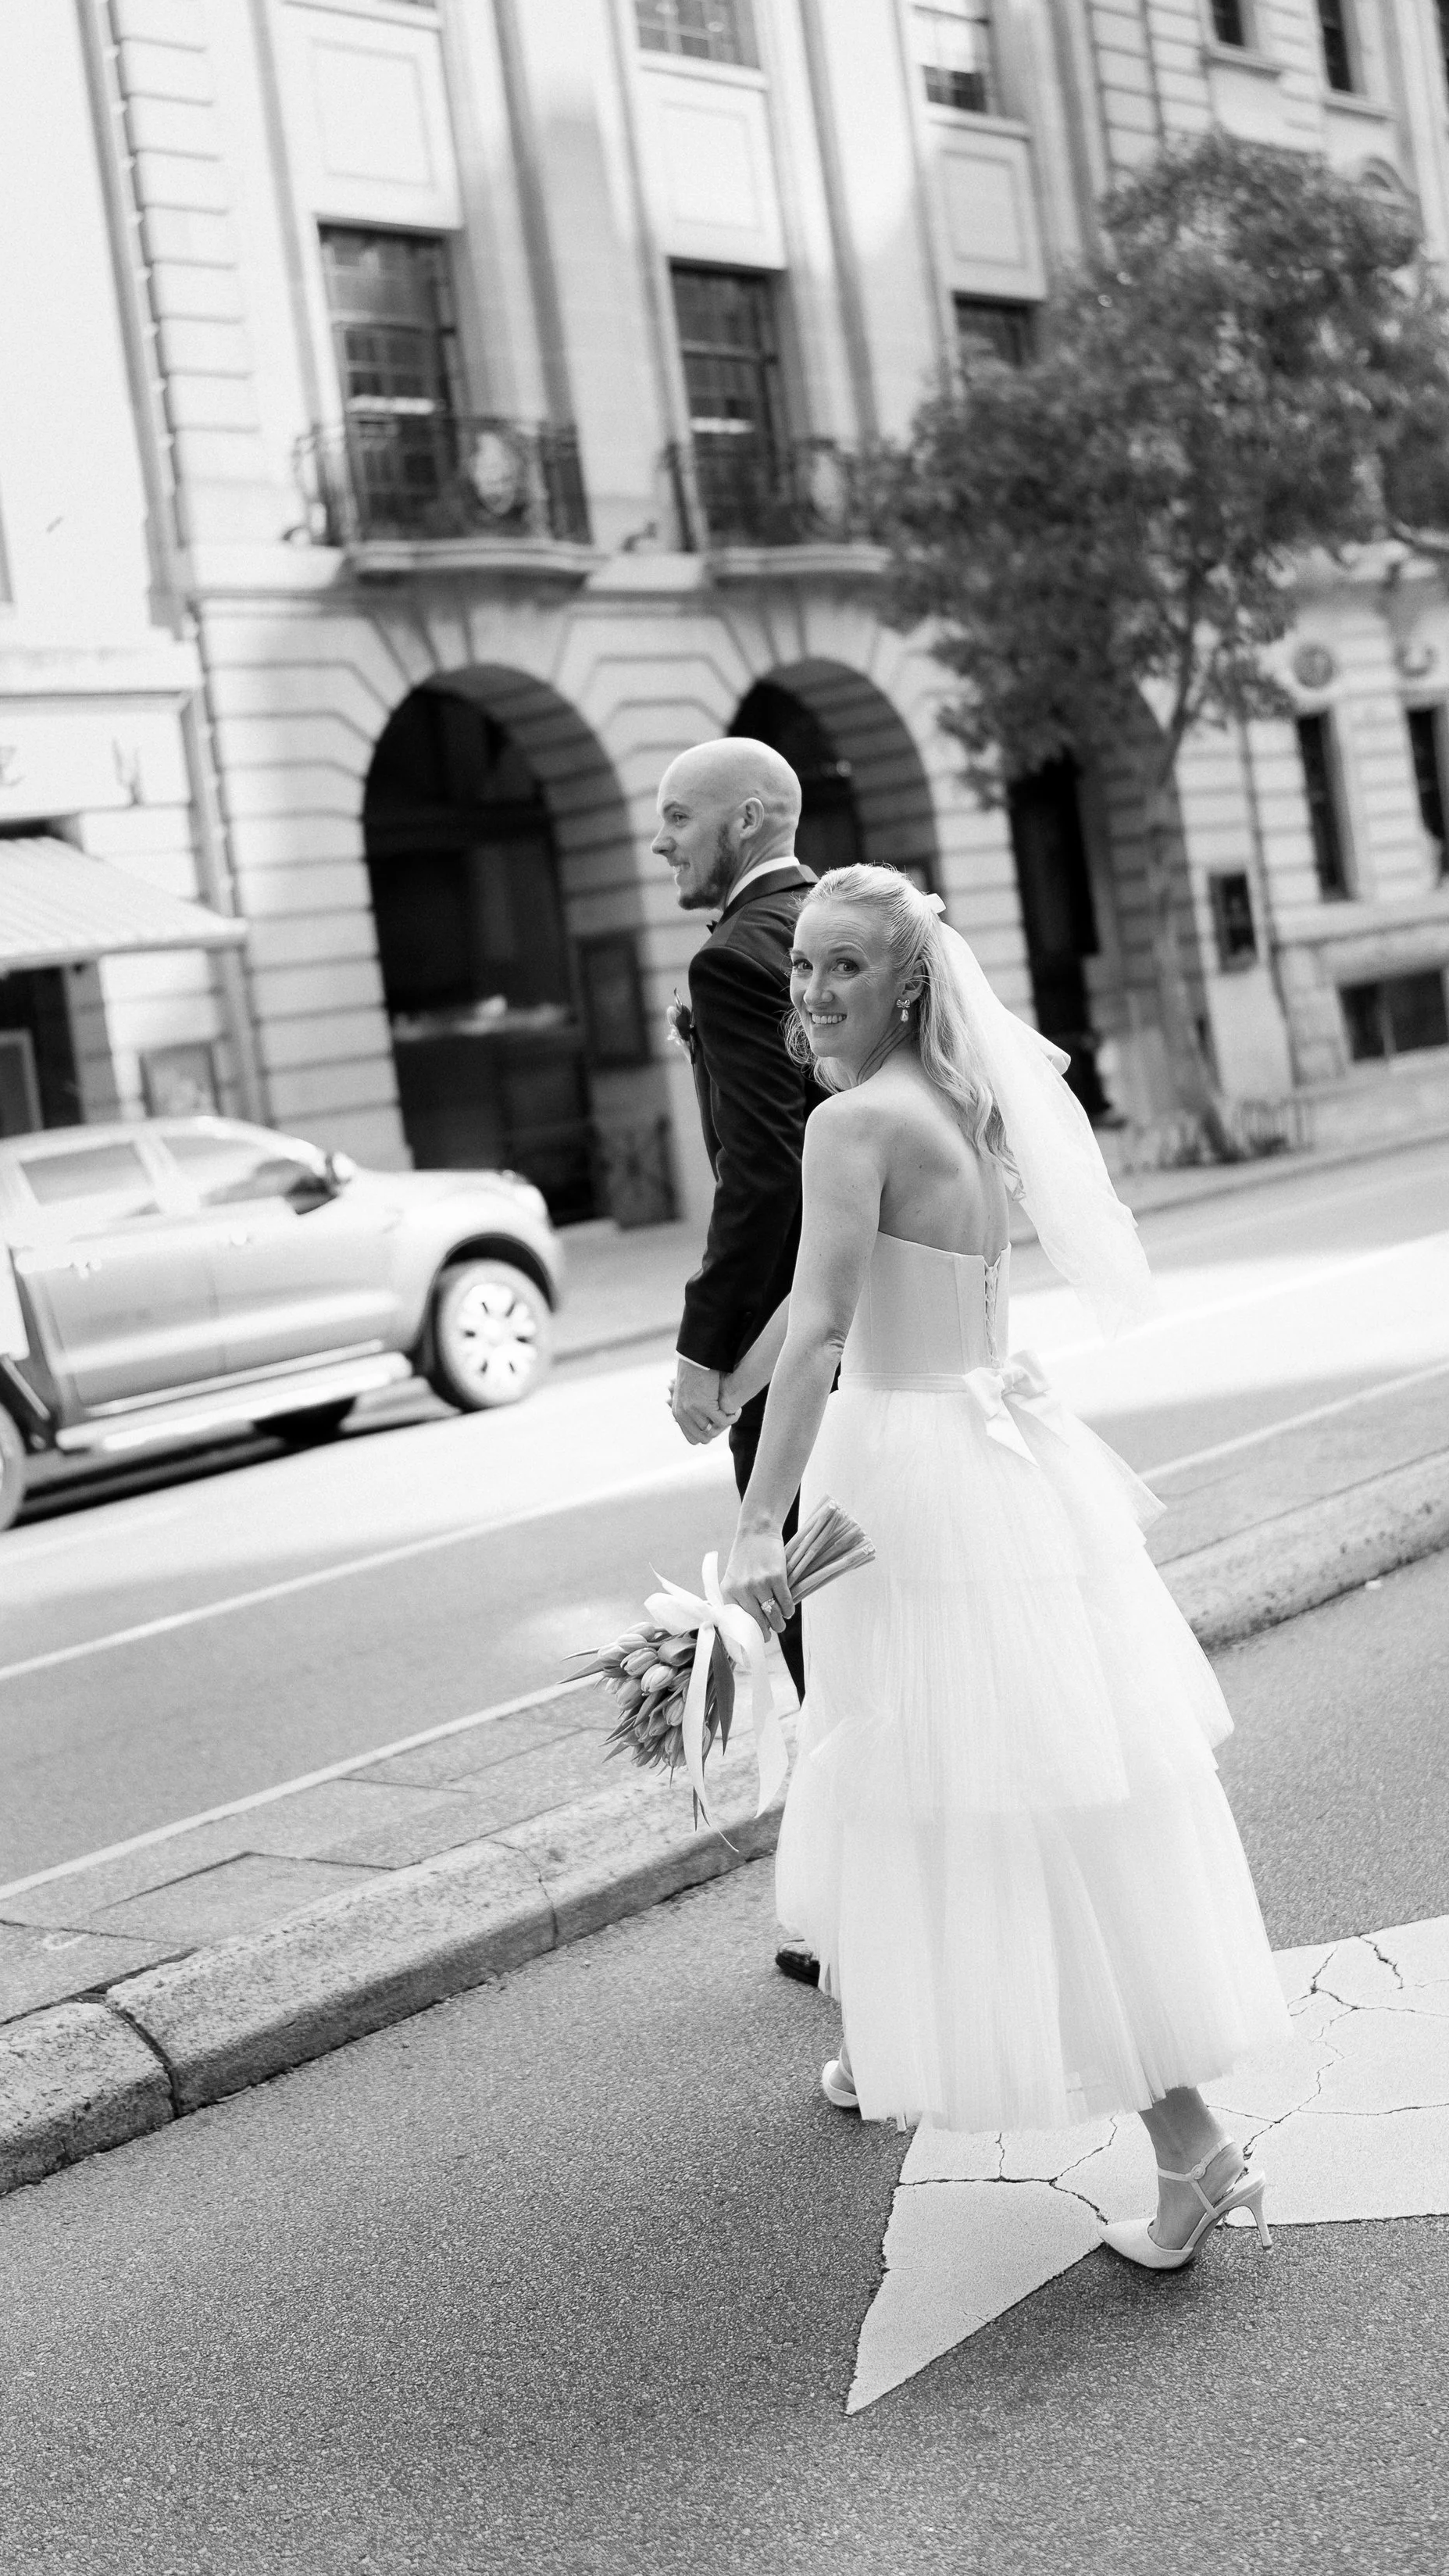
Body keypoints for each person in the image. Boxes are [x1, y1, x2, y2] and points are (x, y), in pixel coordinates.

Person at [717, 864, 1290, 2268]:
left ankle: (1191, 2144)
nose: (812, 991)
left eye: (844, 967)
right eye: (803, 969)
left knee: (986, 1782)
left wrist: (757, 1525)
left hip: (908, 1475)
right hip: (998, 1461)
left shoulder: (852, 1122)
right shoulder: (960, 1103)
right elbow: (856, 1304)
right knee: (967, 1763)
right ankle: (879, 2040)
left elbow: (823, 1333)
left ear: (908, 980)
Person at [652, 738, 822, 1988]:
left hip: (794, 1343)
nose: (660, 839)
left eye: (678, 816)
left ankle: (862, 1920)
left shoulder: (733, 956)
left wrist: (709, 1353)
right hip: (891, 1318)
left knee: (821, 1628)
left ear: (751, 817)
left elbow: (765, 1171)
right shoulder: (854, 921)